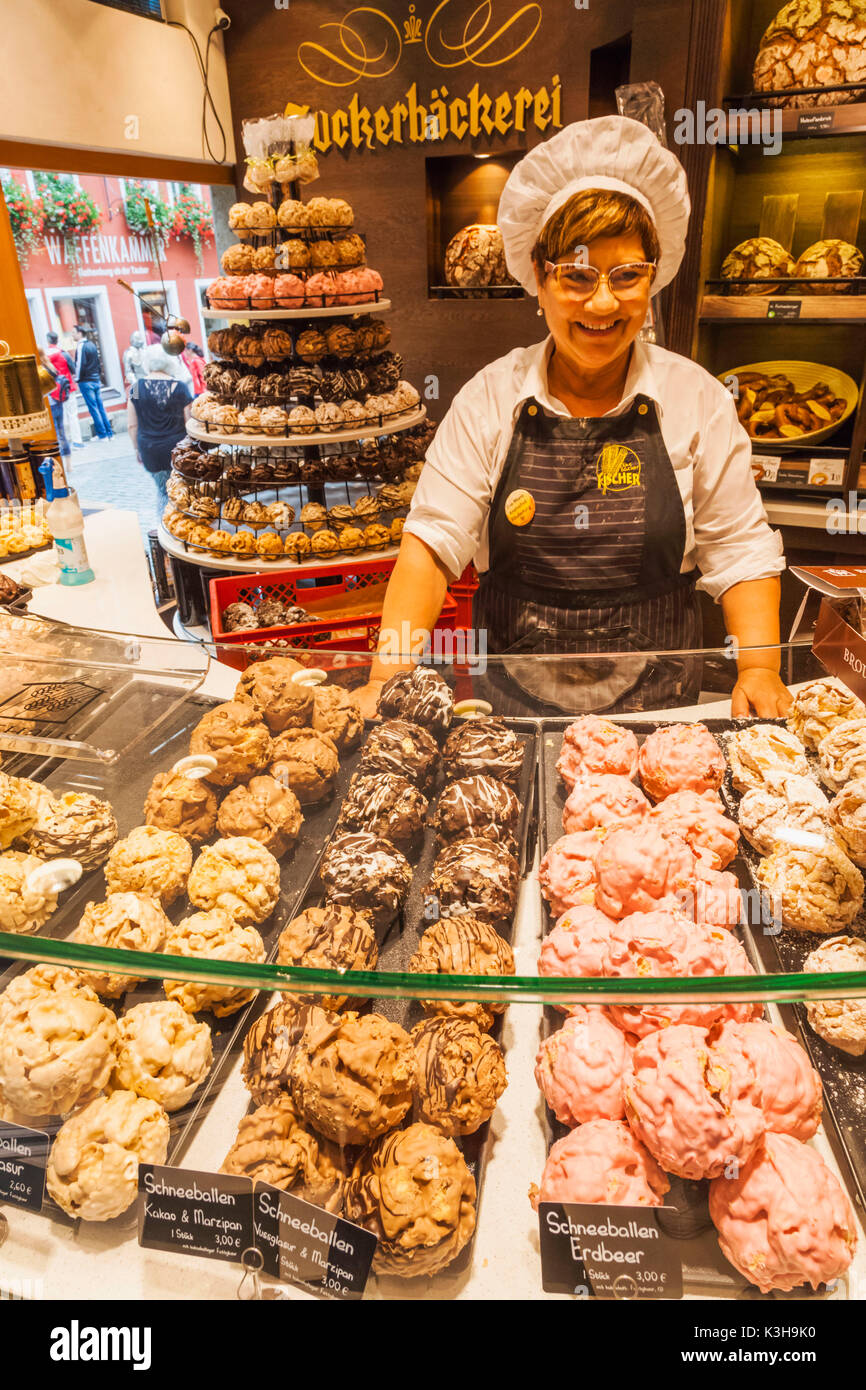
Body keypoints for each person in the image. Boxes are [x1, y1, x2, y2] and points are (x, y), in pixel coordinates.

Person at [355, 116, 790, 720]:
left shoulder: (695, 400)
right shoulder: (489, 399)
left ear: (653, 276)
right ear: (538, 277)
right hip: (514, 709)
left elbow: (740, 551)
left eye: (627, 276)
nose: (603, 302)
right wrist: (386, 673)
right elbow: (431, 548)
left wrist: (761, 668)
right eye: (578, 276)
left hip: (658, 712)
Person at [126, 343, 192, 516]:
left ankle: (165, 529)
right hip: (178, 449)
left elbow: (131, 424)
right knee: (183, 490)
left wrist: (136, 449)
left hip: (150, 449)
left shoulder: (136, 388)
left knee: (163, 491)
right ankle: (186, 526)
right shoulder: (180, 387)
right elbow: (190, 422)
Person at [72, 325, 114, 440]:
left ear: (80, 333)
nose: (72, 335)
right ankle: (109, 434)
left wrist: (77, 379)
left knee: (94, 409)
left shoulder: (81, 346)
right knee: (100, 407)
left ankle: (102, 434)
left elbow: (80, 365)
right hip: (95, 380)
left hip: (86, 381)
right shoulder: (92, 345)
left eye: (74, 332)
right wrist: (98, 376)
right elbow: (98, 362)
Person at [44, 331, 82, 450]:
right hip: (67, 388)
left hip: (53, 390)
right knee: (72, 415)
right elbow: (73, 370)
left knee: (59, 417)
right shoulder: (63, 354)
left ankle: (64, 442)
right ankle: (77, 441)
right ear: (57, 340)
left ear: (48, 341)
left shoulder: (44, 357)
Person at [39, 348, 71, 460]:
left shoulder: (40, 370)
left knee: (55, 434)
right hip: (58, 402)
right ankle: (68, 462)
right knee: (61, 432)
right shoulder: (50, 366)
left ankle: (59, 459)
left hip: (49, 404)